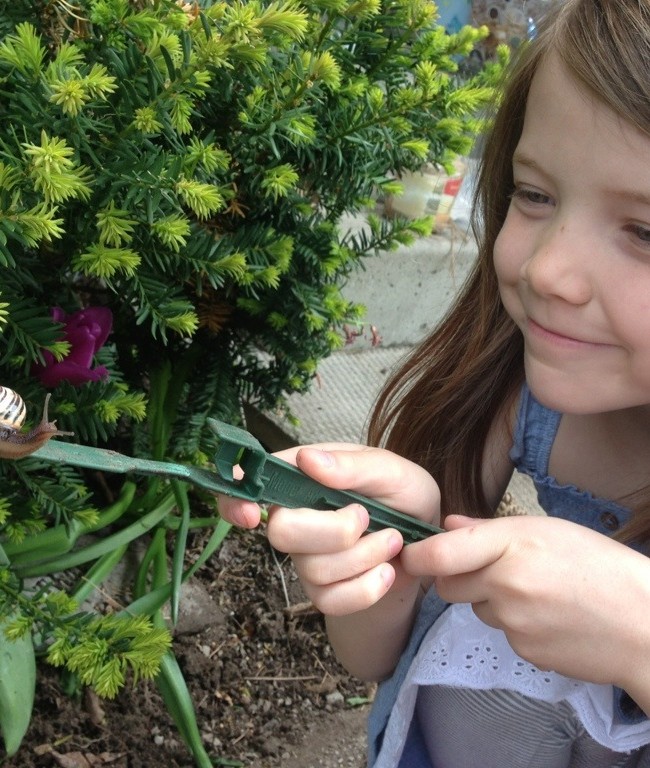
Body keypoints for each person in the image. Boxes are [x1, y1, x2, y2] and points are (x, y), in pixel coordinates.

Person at [218, 1, 650, 765]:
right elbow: (374, 660)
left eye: (644, 232)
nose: (548, 270)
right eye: (535, 194)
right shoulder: (521, 395)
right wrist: (387, 555)